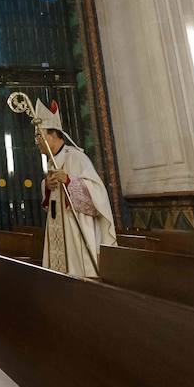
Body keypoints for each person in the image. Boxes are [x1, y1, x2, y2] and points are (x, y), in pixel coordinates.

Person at [35, 99, 116, 278]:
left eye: (39, 135)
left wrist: (70, 181)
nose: (36, 141)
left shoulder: (76, 158)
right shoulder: (52, 162)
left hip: (76, 229)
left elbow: (98, 194)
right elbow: (50, 203)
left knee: (77, 275)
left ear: (53, 135)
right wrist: (47, 186)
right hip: (58, 227)